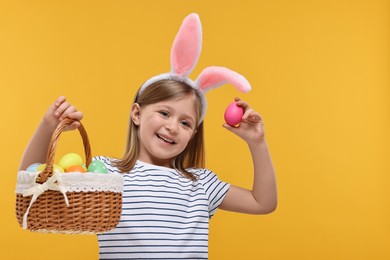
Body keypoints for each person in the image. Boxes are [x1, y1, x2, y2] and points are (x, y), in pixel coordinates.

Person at [19, 13, 277, 260]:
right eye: (164, 113)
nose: (173, 127)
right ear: (137, 113)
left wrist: (257, 143)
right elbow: (31, 184)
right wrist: (47, 126)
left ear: (193, 134)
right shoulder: (105, 174)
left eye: (185, 122)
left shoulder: (201, 183)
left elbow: (263, 202)